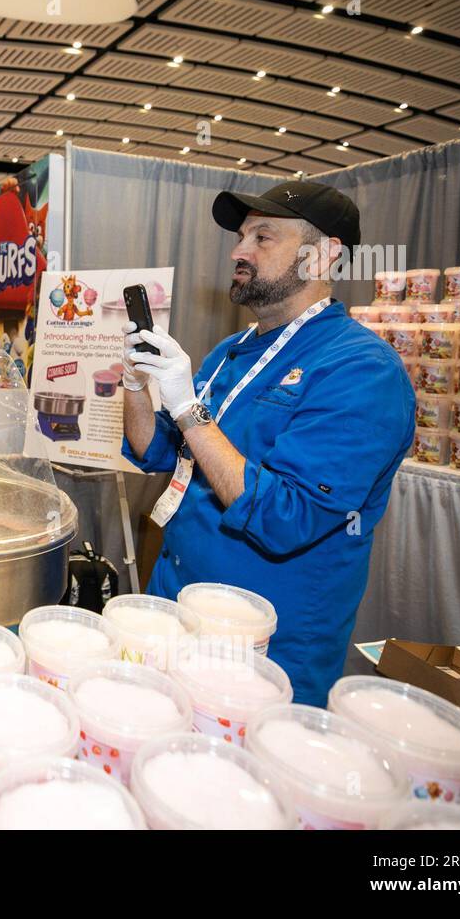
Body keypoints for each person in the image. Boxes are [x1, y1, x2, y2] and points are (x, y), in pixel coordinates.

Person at [119, 181, 414, 706]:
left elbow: (284, 518)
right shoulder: (233, 351)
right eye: (240, 236)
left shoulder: (362, 370)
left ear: (323, 255)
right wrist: (136, 383)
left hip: (264, 644)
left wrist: (189, 410)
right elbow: (156, 452)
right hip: (176, 605)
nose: (238, 250)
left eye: (263, 236)